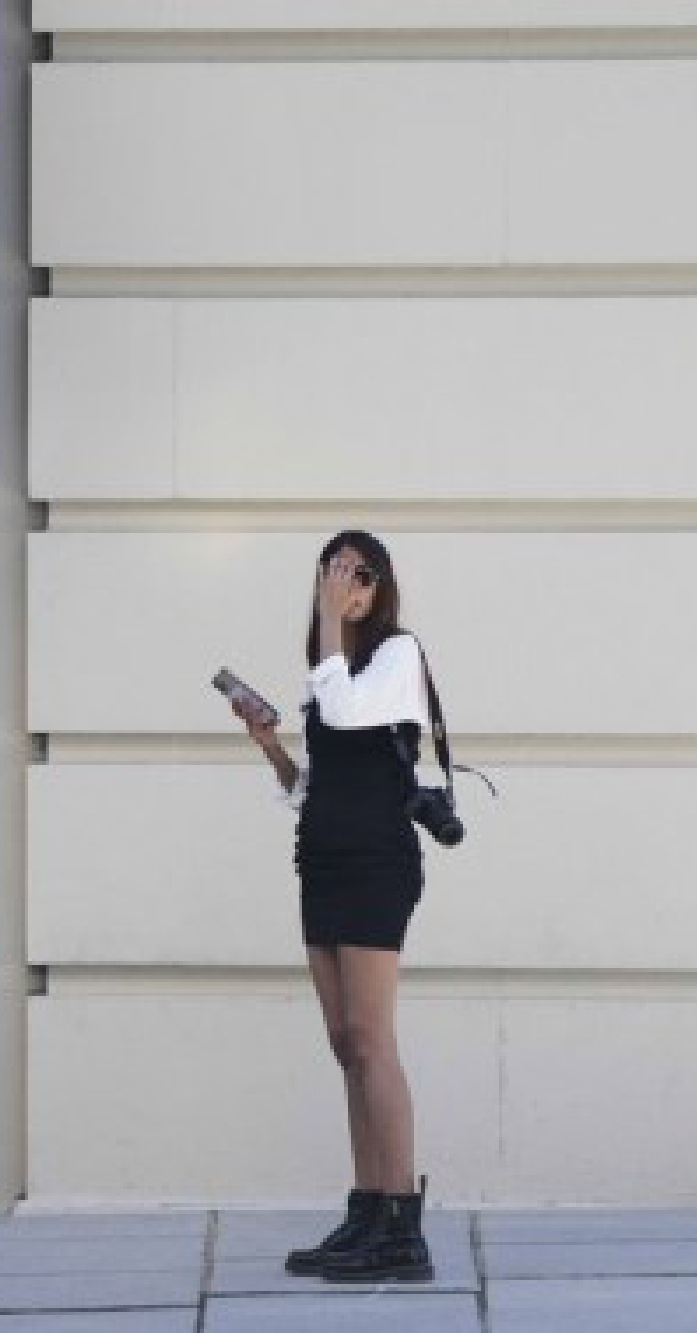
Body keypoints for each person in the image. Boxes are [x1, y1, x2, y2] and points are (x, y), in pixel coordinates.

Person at [235, 531, 436, 1284]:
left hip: (378, 863)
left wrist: (327, 624)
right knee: (344, 1040)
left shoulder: (396, 655)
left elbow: (353, 716)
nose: (344, 587)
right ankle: (365, 1211)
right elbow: (314, 787)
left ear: (378, 588)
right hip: (320, 860)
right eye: (332, 573)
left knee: (373, 1037)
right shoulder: (327, 671)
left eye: (357, 575)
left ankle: (402, 1225)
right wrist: (269, 745)